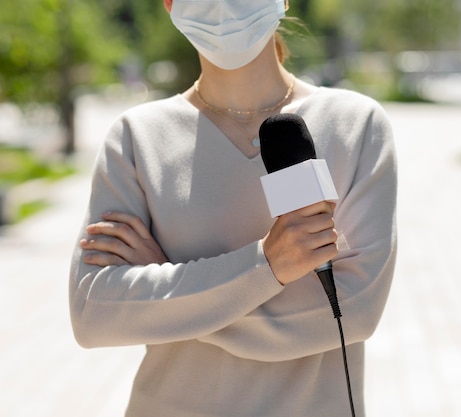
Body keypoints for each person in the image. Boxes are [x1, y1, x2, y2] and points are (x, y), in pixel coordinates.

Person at [69, 0, 397, 416]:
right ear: (169, 3)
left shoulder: (355, 124)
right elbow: (93, 314)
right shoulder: (136, 138)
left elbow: (353, 313)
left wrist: (168, 288)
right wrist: (268, 266)